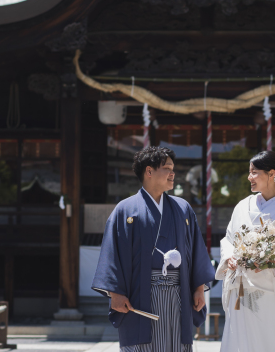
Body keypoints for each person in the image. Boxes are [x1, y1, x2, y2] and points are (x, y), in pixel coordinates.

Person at [92, 146, 215, 352]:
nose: (173, 173)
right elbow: (111, 253)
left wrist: (199, 288)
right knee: (141, 344)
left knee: (177, 344)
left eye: (173, 169)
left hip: (179, 293)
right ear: (149, 171)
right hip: (139, 294)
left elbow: (196, 250)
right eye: (167, 168)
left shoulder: (183, 208)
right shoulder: (125, 210)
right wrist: (115, 293)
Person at [216, 150, 275, 352]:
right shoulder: (242, 206)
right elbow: (229, 238)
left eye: (254, 172)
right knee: (243, 340)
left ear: (271, 174)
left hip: (273, 288)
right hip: (243, 287)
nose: (249, 177)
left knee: (271, 339)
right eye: (249, 172)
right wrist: (230, 258)